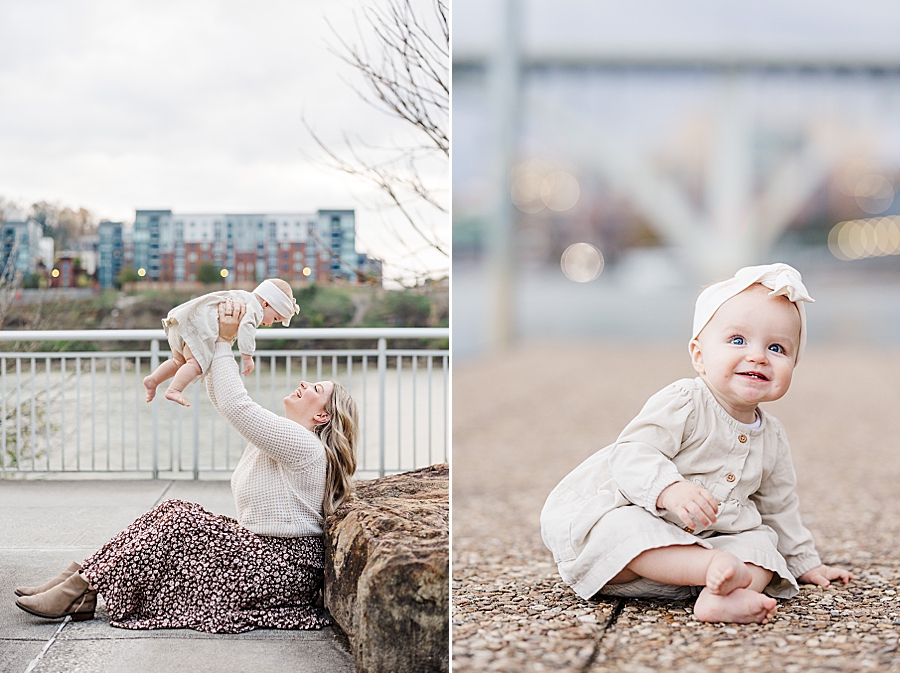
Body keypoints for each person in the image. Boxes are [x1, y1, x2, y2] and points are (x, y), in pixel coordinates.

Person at [15, 298, 359, 633]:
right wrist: (213, 343)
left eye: (315, 388)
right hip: (266, 554)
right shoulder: (286, 440)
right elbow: (225, 397)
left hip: (283, 567)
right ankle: (80, 582)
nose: (303, 384)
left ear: (322, 415)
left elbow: (235, 405)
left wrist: (225, 341)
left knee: (179, 520)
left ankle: (82, 587)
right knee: (172, 509)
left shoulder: (304, 445)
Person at [540, 263, 854, 624]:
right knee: (618, 528)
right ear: (699, 356)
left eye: (777, 348)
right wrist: (668, 489)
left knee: (764, 550)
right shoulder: (685, 401)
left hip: (712, 544)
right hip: (638, 548)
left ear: (794, 365)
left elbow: (779, 505)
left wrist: (805, 563)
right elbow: (631, 452)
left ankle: (718, 596)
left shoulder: (773, 436)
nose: (757, 355)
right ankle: (714, 570)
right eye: (738, 341)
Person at [143, 278, 300, 407]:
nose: (271, 323)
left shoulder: (241, 296)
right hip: (197, 328)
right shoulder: (255, 309)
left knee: (179, 361)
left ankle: (153, 380)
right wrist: (247, 357)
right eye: (275, 318)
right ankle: (174, 390)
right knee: (195, 364)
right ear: (266, 304)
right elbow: (247, 329)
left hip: (181, 322)